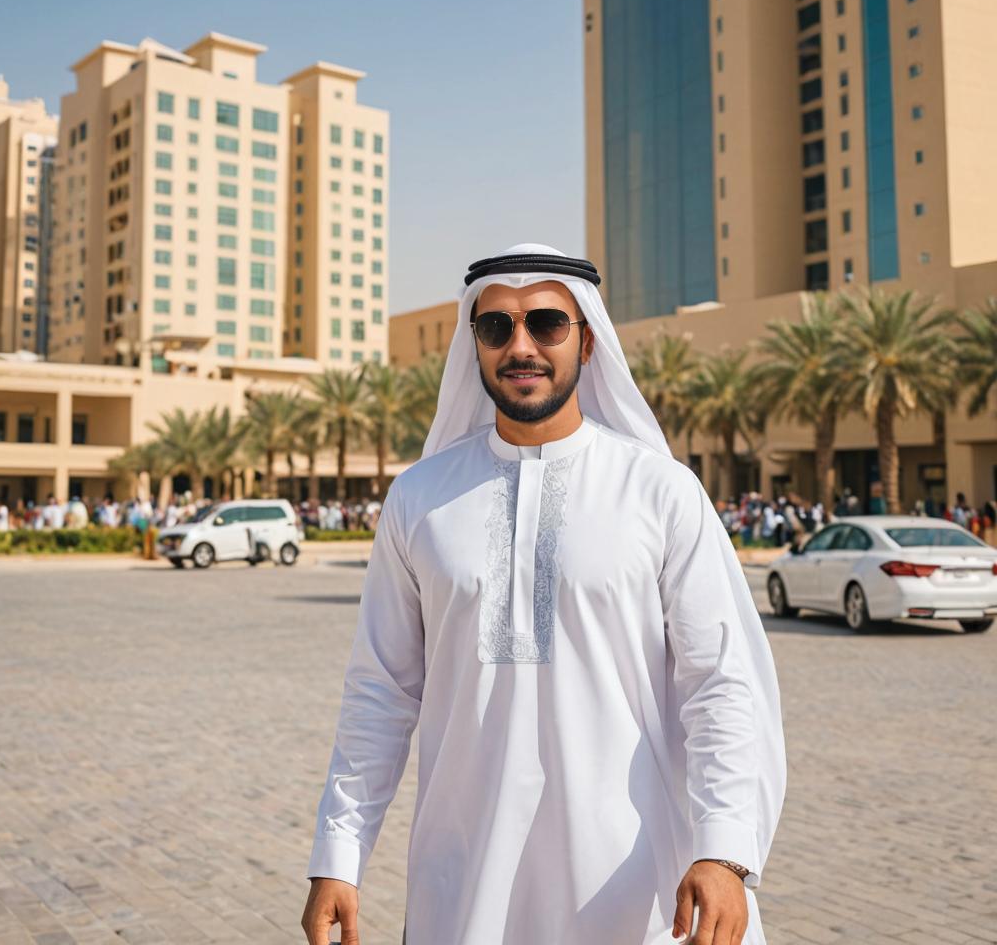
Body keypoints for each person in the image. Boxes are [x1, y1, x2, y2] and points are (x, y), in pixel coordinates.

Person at [301, 245, 786, 945]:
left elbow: (722, 683)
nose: (520, 346)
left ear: (588, 340)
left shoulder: (660, 492)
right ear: (474, 345)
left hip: (642, 891)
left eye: (547, 324)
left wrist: (725, 851)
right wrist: (338, 856)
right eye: (496, 327)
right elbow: (381, 691)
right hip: (462, 886)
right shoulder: (419, 499)